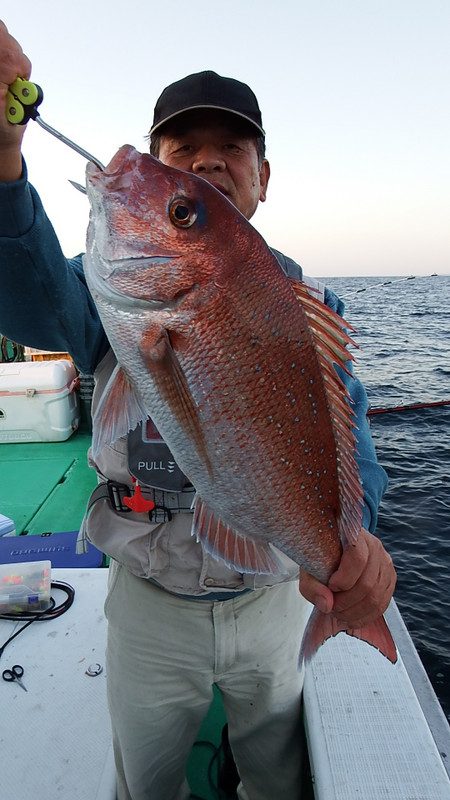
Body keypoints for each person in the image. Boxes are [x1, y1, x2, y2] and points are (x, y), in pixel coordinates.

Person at [0, 20, 396, 800]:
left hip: (274, 602)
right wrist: (6, 164)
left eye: (232, 147)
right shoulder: (100, 290)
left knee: (276, 769)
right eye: (180, 153)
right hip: (150, 602)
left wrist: (358, 547)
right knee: (146, 778)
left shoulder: (311, 307)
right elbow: (30, 292)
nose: (208, 160)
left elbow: (346, 440)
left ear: (263, 178)